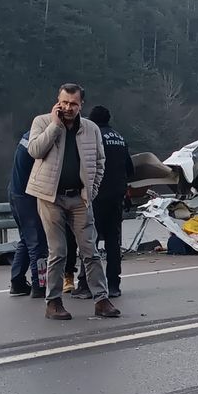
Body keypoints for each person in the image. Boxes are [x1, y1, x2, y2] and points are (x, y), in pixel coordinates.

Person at [26, 83, 120, 320]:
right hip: (50, 196)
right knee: (57, 251)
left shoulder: (91, 129)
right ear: (57, 101)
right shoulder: (42, 122)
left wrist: (93, 189)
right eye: (64, 102)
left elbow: (100, 161)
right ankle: (53, 302)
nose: (68, 107)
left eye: (73, 104)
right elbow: (35, 150)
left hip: (79, 197)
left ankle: (101, 300)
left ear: (81, 105)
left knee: (90, 250)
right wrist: (56, 127)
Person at [72, 105, 133, 299]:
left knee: (89, 241)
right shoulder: (120, 138)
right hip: (117, 196)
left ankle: (85, 285)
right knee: (114, 242)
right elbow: (130, 169)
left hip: (95, 196)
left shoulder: (93, 137)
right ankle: (114, 285)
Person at [7, 130, 48, 298]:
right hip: (27, 196)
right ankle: (40, 285)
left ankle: (17, 282)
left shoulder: (29, 135)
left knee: (27, 238)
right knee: (37, 242)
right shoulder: (44, 140)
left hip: (15, 192)